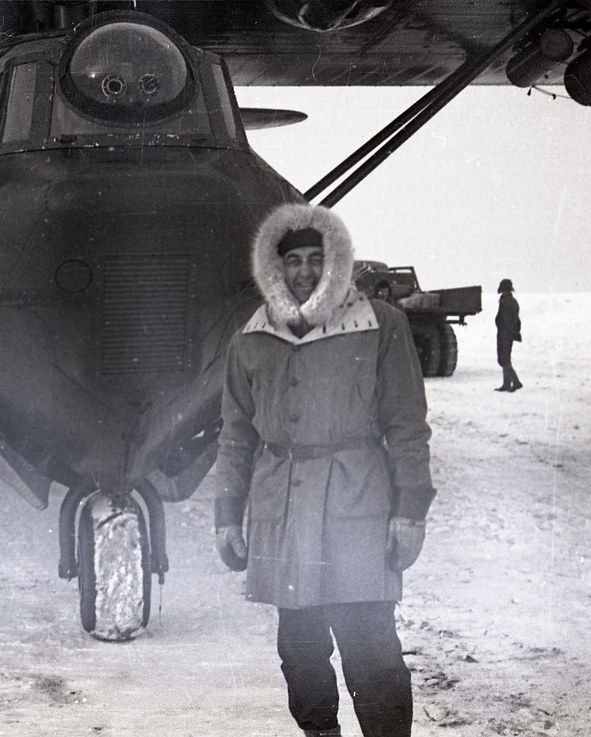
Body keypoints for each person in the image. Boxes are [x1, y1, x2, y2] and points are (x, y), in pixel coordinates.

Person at [212, 203, 436, 737]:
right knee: (300, 648)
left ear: (335, 261)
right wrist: (227, 515)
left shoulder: (381, 325)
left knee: (370, 649)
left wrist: (410, 511)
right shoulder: (251, 336)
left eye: (317, 258)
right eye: (293, 261)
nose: (305, 271)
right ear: (276, 267)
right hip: (282, 511)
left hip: (356, 505)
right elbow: (236, 434)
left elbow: (407, 425)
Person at [495, 278, 522, 392]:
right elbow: (516, 320)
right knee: (506, 359)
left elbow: (504, 319)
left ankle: (515, 382)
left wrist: (504, 330)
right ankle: (506, 384)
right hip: (509, 333)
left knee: (503, 359)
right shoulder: (513, 301)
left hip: (504, 333)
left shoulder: (505, 301)